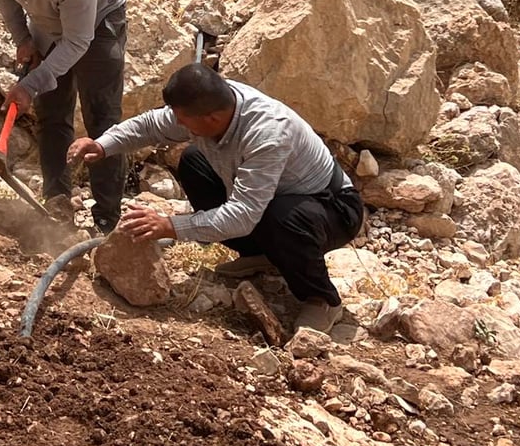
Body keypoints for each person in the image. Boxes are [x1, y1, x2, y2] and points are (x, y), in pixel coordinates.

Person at [68, 63, 364, 333]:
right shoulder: (206, 107)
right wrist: (103, 145)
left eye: (183, 121)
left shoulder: (268, 133)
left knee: (281, 217)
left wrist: (170, 225)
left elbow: (243, 215)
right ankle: (261, 256)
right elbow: (149, 125)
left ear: (211, 118)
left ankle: (322, 298)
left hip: (332, 208)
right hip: (272, 201)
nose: (178, 125)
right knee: (195, 161)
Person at [0, 0, 128, 233]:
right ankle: (57, 201)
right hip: (47, 15)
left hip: (100, 16)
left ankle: (107, 218)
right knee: (52, 111)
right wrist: (23, 39)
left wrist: (30, 85)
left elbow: (78, 41)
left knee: (101, 116)